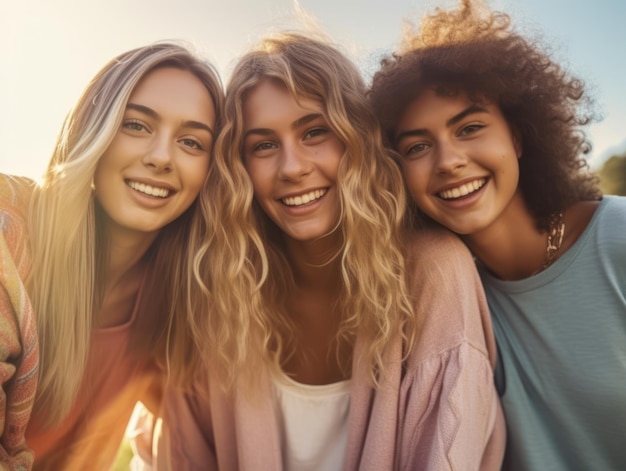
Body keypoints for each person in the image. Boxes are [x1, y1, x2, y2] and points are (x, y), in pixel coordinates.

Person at [154, 31, 505, 470]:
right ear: (237, 168)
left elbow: (449, 453)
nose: (292, 167)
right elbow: (185, 456)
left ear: (358, 140)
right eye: (263, 145)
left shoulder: (433, 270)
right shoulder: (219, 286)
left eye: (315, 132)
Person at [369, 1, 626, 469]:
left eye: (470, 127)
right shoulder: (438, 290)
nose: (448, 161)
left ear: (520, 136)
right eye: (418, 146)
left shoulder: (618, 240)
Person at [0, 41, 224, 469]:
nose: (161, 158)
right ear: (94, 129)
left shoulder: (183, 297)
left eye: (192, 142)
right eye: (137, 125)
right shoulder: (9, 236)